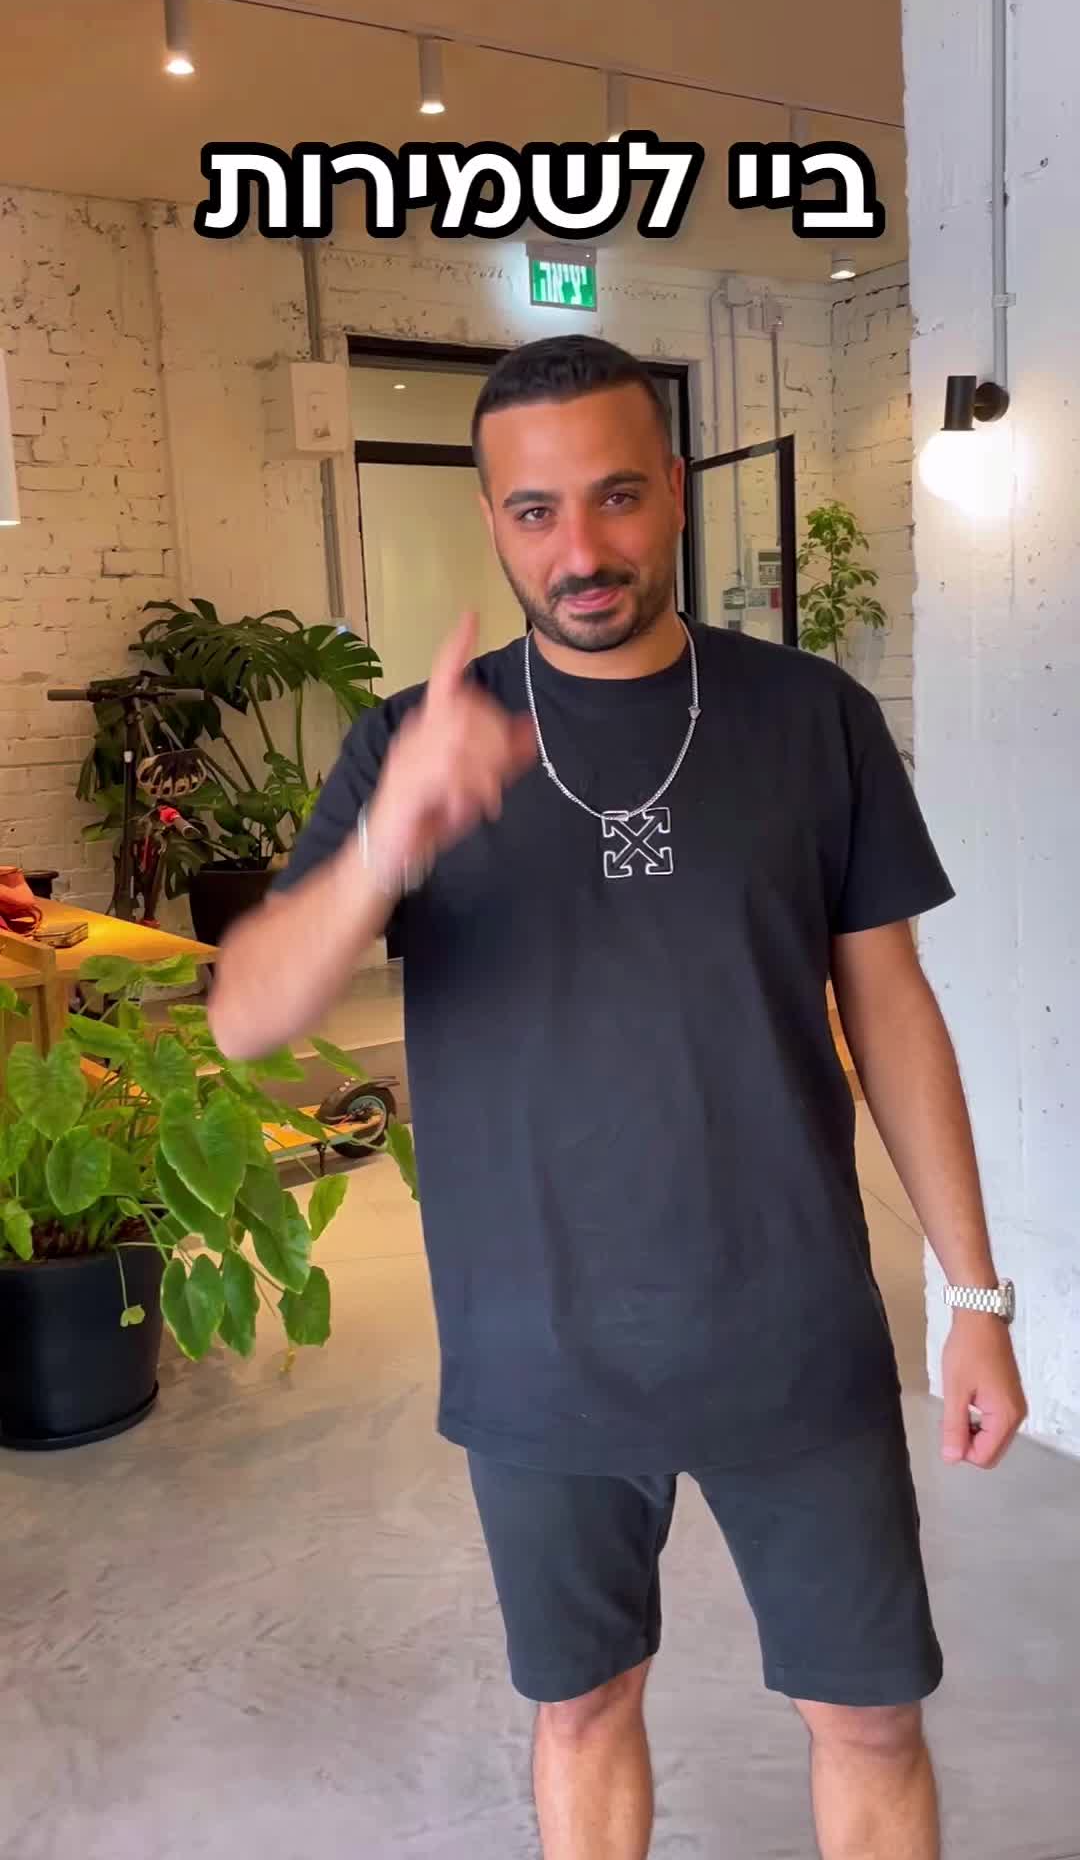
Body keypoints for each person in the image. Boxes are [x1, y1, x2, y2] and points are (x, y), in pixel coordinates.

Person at [209, 334, 1028, 1860]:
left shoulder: (811, 717)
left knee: (870, 1718)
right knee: (583, 1708)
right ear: (492, 520)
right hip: (539, 1351)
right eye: (534, 511)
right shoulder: (408, 746)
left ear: (677, 490)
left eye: (616, 497)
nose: (579, 550)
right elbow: (249, 1018)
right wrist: (387, 844)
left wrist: (973, 1294)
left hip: (792, 1331)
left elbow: (892, 1008)